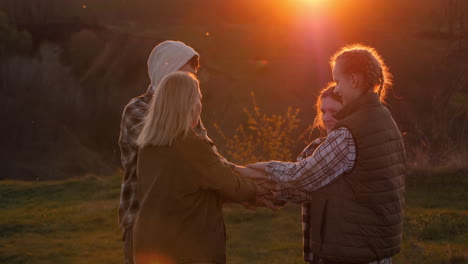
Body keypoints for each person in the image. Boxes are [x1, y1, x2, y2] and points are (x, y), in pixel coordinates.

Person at [239, 44, 406, 264]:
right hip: (374, 249)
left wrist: (248, 171)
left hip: (352, 251)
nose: (336, 89)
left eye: (338, 81)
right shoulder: (384, 118)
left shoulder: (350, 132)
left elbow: (301, 177)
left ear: (354, 80)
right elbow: (327, 186)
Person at [133, 71, 269, 264]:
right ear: (189, 104)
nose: (200, 104)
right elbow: (231, 185)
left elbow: (182, 191)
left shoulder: (148, 146)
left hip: (149, 247)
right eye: (198, 97)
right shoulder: (191, 145)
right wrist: (264, 190)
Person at [118, 40, 202, 264]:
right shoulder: (136, 110)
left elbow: (207, 160)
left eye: (192, 77)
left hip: (184, 222)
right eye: (182, 75)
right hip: (143, 222)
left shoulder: (191, 113)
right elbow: (168, 146)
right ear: (164, 73)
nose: (187, 83)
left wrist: (254, 185)